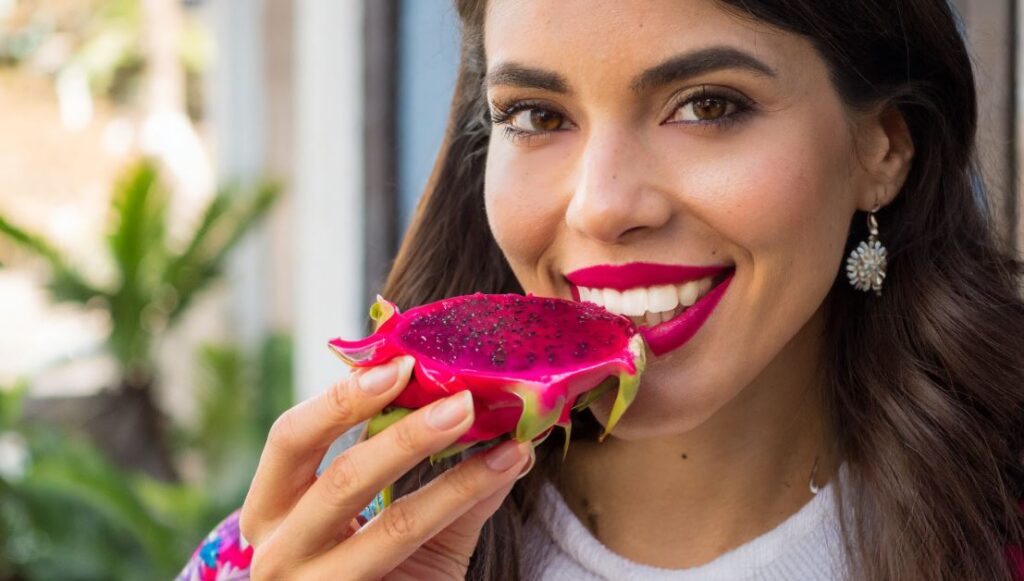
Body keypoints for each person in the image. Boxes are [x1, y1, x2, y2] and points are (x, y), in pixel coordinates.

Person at [178, 1, 1024, 579]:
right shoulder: (298, 557)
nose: (603, 205)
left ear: (881, 149)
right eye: (537, 116)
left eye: (708, 105)